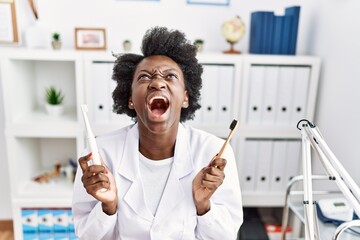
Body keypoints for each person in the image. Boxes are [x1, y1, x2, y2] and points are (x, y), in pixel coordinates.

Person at [72, 26, 243, 239]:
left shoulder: (214, 152)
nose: (157, 82)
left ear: (186, 97)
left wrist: (203, 205)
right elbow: (86, 235)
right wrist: (107, 207)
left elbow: (226, 235)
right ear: (130, 99)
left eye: (170, 76)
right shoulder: (99, 154)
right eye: (144, 77)